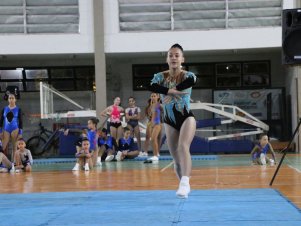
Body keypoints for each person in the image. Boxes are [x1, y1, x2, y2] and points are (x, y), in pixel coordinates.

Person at [149, 43, 197, 198]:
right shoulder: (159, 77)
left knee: (183, 147)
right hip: (169, 121)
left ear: (182, 58)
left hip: (186, 117)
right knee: (176, 160)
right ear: (167, 59)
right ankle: (182, 185)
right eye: (171, 55)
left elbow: (187, 85)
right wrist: (168, 91)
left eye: (177, 55)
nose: (174, 58)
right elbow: (151, 86)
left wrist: (168, 91)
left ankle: (185, 183)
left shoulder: (189, 76)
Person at [0, 93, 23, 159]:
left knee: (14, 148)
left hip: (15, 129)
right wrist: (0, 131)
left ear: (15, 100)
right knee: (2, 147)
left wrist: (20, 133)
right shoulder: (4, 109)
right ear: (8, 100)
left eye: (13, 98)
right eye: (10, 98)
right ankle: (1, 163)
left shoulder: (18, 109)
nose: (11, 99)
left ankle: (14, 165)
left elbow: (21, 122)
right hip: (6, 130)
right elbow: (1, 121)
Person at [146, 93, 163, 162]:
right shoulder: (151, 106)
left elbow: (164, 110)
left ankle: (156, 155)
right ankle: (155, 154)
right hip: (152, 125)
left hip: (158, 124)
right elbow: (151, 116)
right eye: (152, 96)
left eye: (154, 96)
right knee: (153, 140)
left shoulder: (159, 105)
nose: (153, 97)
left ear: (158, 97)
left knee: (153, 139)